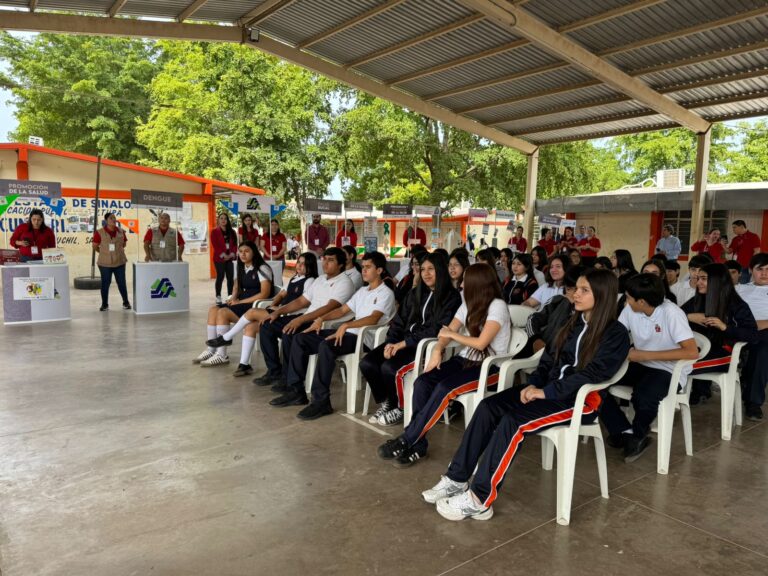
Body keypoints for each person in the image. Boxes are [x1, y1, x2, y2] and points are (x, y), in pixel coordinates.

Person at [423, 268, 630, 521]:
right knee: (488, 407)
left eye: (584, 290)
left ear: (603, 295)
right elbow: (548, 359)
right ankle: (456, 478)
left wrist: (547, 392)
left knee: (514, 421)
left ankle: (480, 499)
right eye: (576, 288)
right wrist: (532, 386)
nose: (576, 294)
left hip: (579, 401)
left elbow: (593, 375)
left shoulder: (616, 334)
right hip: (548, 391)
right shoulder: (573, 323)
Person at [377, 264, 512, 467]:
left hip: (489, 368)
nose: (461, 284)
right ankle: (418, 445)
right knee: (423, 382)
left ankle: (407, 439)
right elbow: (447, 330)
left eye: (465, 280)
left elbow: (481, 343)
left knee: (444, 388)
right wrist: (438, 349)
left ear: (478, 283)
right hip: (465, 360)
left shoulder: (497, 306)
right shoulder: (468, 303)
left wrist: (451, 335)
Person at [280, 252, 397, 417]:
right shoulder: (362, 291)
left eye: (368, 267)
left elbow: (374, 318)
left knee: (326, 346)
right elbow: (342, 310)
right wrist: (321, 319)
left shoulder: (385, 293)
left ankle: (321, 402)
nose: (364, 270)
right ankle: (295, 391)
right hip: (348, 333)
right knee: (301, 338)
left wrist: (347, 325)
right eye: (363, 267)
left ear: (379, 270)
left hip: (364, 338)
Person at [599, 274, 697, 463]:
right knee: (597, 382)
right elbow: (617, 334)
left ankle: (638, 435)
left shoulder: (672, 313)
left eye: (628, 297)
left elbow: (692, 352)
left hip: (669, 370)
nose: (625, 301)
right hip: (639, 364)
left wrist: (645, 355)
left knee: (644, 397)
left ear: (642, 301)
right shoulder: (630, 309)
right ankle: (623, 430)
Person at [361, 253, 462, 426]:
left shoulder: (451, 297)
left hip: (423, 348)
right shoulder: (415, 293)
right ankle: (389, 402)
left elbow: (437, 329)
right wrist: (391, 342)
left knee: (389, 368)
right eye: (423, 269)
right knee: (368, 363)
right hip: (402, 343)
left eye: (431, 269)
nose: (426, 273)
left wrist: (404, 343)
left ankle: (401, 408)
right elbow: (399, 321)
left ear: (440, 270)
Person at [255, 247, 355, 399]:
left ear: (341, 264)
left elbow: (329, 307)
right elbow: (301, 301)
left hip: (321, 322)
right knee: (267, 325)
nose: (325, 263)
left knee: (289, 332)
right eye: (324, 259)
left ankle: (290, 382)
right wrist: (278, 312)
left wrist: (299, 319)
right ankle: (275, 372)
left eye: (331, 260)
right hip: (306, 317)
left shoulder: (345, 282)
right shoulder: (320, 279)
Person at [207, 252, 319, 377]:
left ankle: (227, 337)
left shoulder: (310, 281)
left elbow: (303, 303)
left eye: (304, 264)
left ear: (311, 267)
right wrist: (273, 305)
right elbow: (281, 294)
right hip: (279, 311)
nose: (300, 266)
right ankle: (244, 365)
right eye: (299, 262)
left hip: (289, 315)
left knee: (252, 312)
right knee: (250, 327)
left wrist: (280, 309)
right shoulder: (294, 278)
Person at [682, 263, 758, 405]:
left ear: (717, 281)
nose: (698, 283)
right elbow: (675, 316)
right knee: (668, 361)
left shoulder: (737, 305)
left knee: (677, 366)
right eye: (698, 278)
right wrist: (689, 317)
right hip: (698, 350)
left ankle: (669, 403)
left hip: (725, 354)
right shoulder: (697, 300)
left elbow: (753, 335)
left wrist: (725, 327)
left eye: (703, 279)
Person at [195, 241, 275, 367]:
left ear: (254, 252)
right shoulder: (242, 266)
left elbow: (264, 294)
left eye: (247, 251)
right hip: (242, 302)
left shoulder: (262, 268)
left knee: (223, 312)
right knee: (213, 309)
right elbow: (236, 286)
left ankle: (222, 355)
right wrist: (232, 298)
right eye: (240, 251)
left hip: (254, 305)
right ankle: (211, 349)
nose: (243, 254)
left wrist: (239, 301)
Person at [737, 253, 768, 420]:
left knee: (763, 350)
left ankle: (753, 402)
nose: (764, 273)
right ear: (750, 270)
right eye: (760, 269)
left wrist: (756, 324)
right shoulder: (739, 289)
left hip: (763, 334)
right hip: (739, 332)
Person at [523, 266, 581, 356]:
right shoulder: (557, 300)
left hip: (558, 357)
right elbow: (533, 318)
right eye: (568, 288)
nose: (573, 293)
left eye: (577, 289)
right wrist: (535, 339)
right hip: (540, 350)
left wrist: (574, 306)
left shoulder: (587, 314)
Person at [93, 212, 130, 312]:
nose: (113, 219)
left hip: (119, 262)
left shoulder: (121, 231)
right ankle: (104, 304)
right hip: (104, 264)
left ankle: (126, 302)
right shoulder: (99, 232)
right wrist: (104, 253)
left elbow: (124, 244)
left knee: (122, 283)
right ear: (106, 221)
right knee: (105, 284)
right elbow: (95, 246)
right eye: (111, 218)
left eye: (114, 218)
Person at [210, 212, 238, 304]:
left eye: (225, 218)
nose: (223, 220)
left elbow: (235, 245)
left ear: (227, 220)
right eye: (221, 218)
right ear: (218, 220)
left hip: (230, 258)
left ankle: (230, 296)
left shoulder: (232, 232)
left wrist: (231, 254)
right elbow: (215, 245)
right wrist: (223, 255)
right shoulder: (214, 232)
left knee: (230, 277)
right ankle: (218, 296)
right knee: (220, 276)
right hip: (219, 258)